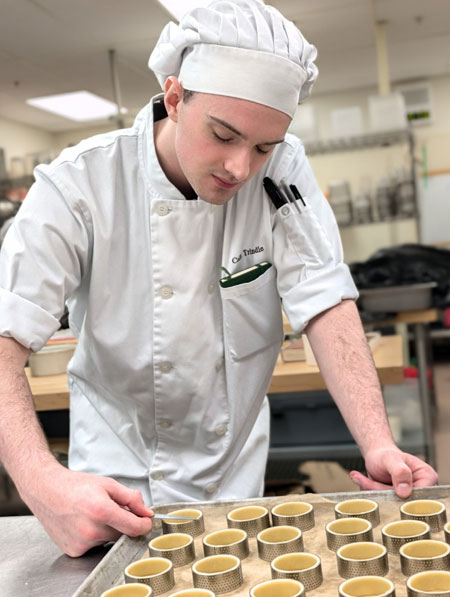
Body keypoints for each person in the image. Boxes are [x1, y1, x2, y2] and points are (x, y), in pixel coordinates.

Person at [0, 0, 437, 557]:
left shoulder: (282, 171)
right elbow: (4, 336)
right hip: (110, 481)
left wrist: (377, 442)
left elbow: (324, 298)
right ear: (176, 97)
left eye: (262, 146)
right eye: (224, 135)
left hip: (233, 475)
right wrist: (41, 481)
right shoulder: (79, 186)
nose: (240, 168)